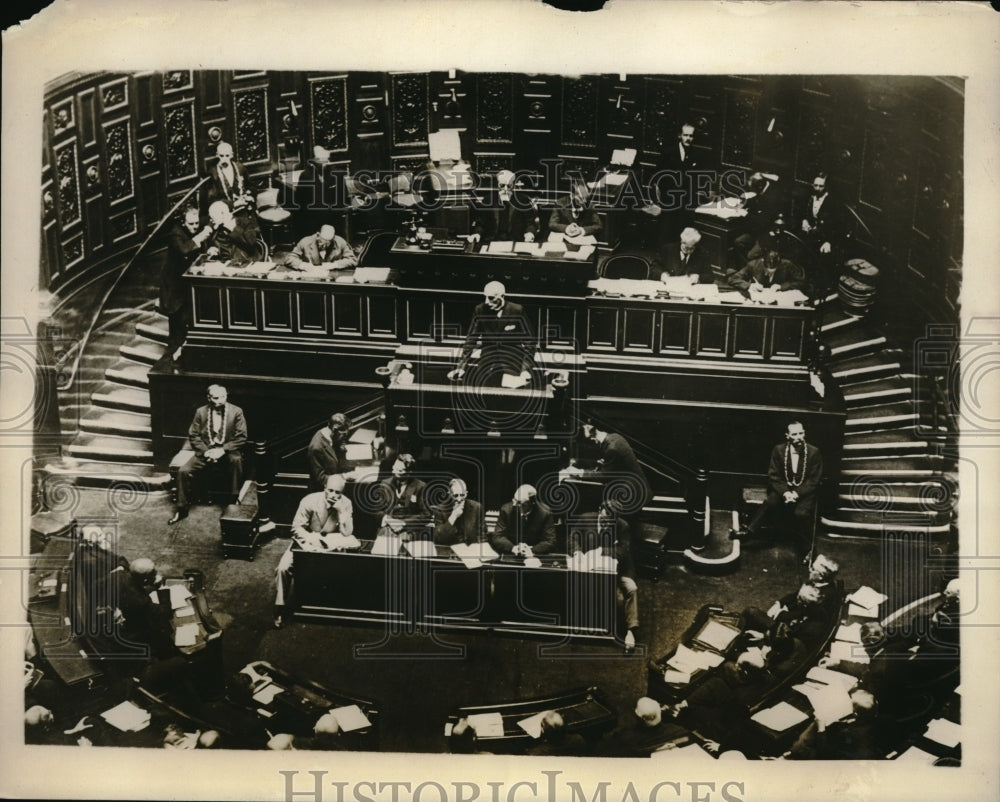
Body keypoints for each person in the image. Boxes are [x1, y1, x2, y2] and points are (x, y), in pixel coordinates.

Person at [733, 421, 823, 559]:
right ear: (787, 436)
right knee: (771, 502)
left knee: (801, 514)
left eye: (801, 433)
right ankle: (749, 532)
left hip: (804, 492)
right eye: (794, 434)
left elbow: (813, 480)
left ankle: (808, 550)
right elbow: (774, 476)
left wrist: (796, 494)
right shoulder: (779, 450)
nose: (798, 437)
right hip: (784, 489)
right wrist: (786, 492)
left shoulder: (814, 452)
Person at [273, 474, 354, 629]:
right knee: (283, 568)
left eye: (338, 492)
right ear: (324, 488)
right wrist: (312, 538)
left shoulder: (346, 504)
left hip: (331, 545)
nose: (333, 495)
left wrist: (342, 513)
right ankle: (279, 608)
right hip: (307, 542)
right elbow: (296, 528)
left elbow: (348, 533)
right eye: (330, 490)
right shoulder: (309, 500)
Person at [170, 384, 247, 524]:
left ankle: (233, 504)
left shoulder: (236, 411)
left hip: (227, 451)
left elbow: (241, 437)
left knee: (236, 461)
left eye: (224, 396)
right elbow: (193, 435)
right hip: (206, 451)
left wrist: (222, 450)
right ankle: (181, 510)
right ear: (209, 398)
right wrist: (206, 452)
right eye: (216, 398)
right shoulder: (201, 412)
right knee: (183, 471)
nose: (221, 400)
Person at [567, 503, 640, 652]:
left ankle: (631, 631)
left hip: (618, 570)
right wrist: (577, 552)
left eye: (610, 522)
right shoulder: (585, 518)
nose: (607, 524)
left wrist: (601, 551)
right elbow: (571, 538)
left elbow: (623, 551)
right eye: (604, 520)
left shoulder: (622, 526)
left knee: (631, 589)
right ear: (600, 510)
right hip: (587, 567)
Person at [448, 281, 537, 387]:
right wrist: (461, 367)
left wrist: (525, 369)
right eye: (485, 297)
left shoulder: (517, 310)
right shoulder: (480, 310)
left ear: (502, 296)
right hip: (487, 362)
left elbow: (530, 342)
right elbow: (471, 339)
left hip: (512, 362)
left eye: (491, 298)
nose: (486, 302)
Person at [573, 423, 650, 541]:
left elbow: (605, 476)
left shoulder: (612, 448)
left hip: (632, 496)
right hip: (636, 491)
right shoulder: (615, 437)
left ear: (594, 439)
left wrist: (580, 473)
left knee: (623, 530)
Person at [161, 205, 213, 360]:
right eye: (191, 224)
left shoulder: (196, 228)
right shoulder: (175, 234)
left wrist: (209, 249)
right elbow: (184, 249)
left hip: (185, 285)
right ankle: (170, 361)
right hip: (174, 288)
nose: (195, 227)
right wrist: (202, 235)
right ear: (183, 223)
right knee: (177, 326)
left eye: (196, 223)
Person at [798, 172, 845, 292]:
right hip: (812, 235)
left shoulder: (833, 202)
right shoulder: (810, 197)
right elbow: (804, 212)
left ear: (826, 187)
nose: (817, 188)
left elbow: (839, 226)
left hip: (826, 239)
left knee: (823, 261)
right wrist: (804, 220)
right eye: (815, 185)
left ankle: (820, 288)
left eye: (821, 186)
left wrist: (829, 242)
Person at [471, 169, 538, 244]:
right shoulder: (488, 200)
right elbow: (480, 223)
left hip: (515, 242)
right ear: (497, 185)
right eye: (502, 186)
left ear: (513, 186)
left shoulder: (523, 200)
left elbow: (530, 224)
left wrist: (530, 233)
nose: (505, 189)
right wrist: (477, 234)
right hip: (491, 241)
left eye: (509, 186)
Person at [490, 484, 557, 557]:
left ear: (532, 503)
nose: (514, 505)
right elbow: (497, 537)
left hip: (534, 555)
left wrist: (532, 550)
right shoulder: (506, 510)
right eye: (514, 500)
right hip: (511, 553)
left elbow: (550, 541)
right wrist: (513, 548)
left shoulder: (545, 512)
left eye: (519, 503)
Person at [377, 453, 428, 541]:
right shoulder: (385, 484)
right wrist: (388, 519)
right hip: (388, 528)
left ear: (409, 472)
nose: (393, 472)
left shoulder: (420, 487)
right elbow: (377, 510)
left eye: (400, 471)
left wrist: (404, 523)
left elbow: (426, 515)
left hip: (410, 531)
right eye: (394, 468)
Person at [206, 200, 263, 266]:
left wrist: (233, 229)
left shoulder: (244, 222)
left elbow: (251, 243)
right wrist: (212, 248)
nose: (211, 220)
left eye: (212, 217)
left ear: (223, 213)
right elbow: (216, 245)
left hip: (246, 264)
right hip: (224, 265)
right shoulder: (217, 227)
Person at [205, 141, 255, 216]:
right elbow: (212, 200)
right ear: (217, 155)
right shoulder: (213, 173)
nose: (224, 159)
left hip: (244, 209)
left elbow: (250, 186)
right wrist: (233, 204)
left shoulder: (240, 168)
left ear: (232, 155)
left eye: (227, 156)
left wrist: (249, 196)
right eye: (221, 156)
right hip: (225, 213)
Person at [728, 248, 807, 294]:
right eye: (768, 270)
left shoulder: (787, 265)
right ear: (762, 261)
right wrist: (750, 285)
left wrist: (781, 286)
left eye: (773, 270)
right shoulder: (753, 265)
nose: (770, 273)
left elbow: (801, 282)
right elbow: (733, 279)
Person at [306, 412, 353, 491]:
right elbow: (320, 479)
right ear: (334, 430)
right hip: (324, 492)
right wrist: (344, 476)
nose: (345, 437)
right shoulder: (316, 447)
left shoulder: (332, 437)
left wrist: (341, 451)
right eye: (344, 434)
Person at [432, 477, 484, 546]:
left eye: (462, 495)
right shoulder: (440, 510)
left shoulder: (476, 507)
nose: (459, 499)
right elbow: (439, 538)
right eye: (455, 495)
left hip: (470, 551)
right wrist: (453, 516)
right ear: (450, 494)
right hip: (449, 551)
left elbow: (482, 536)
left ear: (466, 494)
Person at [285, 224, 356, 271]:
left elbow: (352, 260)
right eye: (321, 242)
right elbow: (289, 258)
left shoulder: (340, 242)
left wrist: (334, 265)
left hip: (332, 277)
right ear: (318, 235)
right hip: (311, 278)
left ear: (333, 239)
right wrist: (303, 265)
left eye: (327, 244)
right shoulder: (305, 242)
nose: (324, 247)